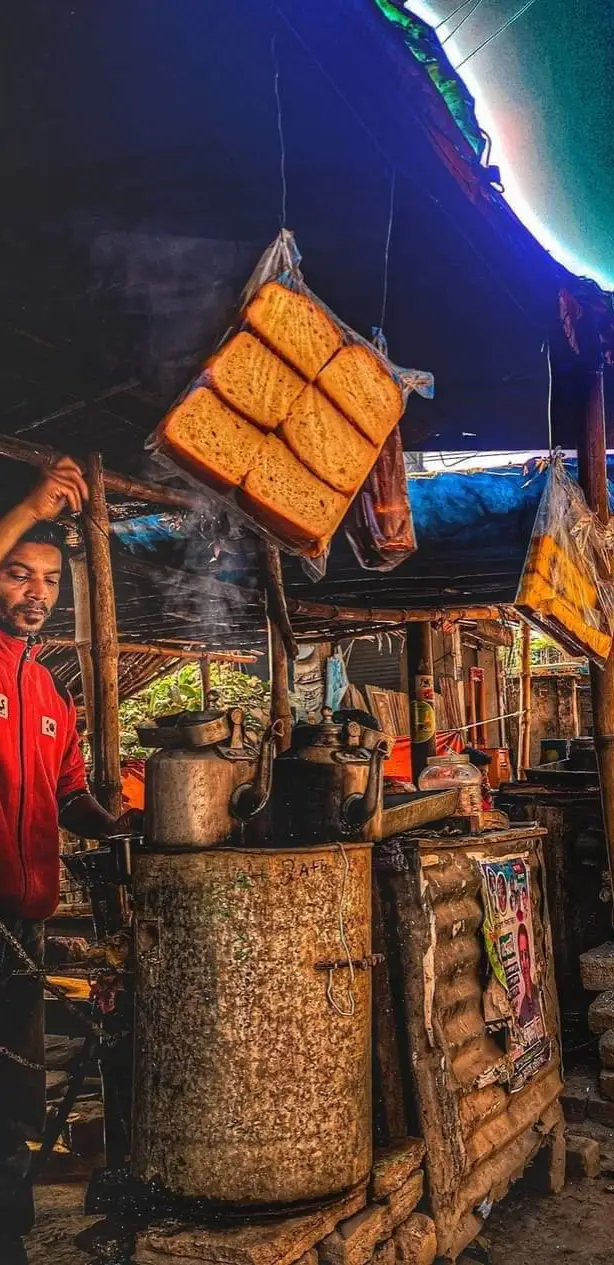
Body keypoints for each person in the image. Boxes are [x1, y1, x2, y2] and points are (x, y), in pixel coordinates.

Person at [0, 458, 126, 1241]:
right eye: (17, 574)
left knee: (15, 1098)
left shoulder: (51, 693)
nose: (35, 592)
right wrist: (30, 504)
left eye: (48, 580)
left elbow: (70, 794)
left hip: (23, 932)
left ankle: (9, 1237)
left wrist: (121, 824)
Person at [517, 923, 540, 1027]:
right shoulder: (520, 1006)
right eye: (521, 956)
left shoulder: (539, 994)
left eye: (526, 954)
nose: (524, 963)